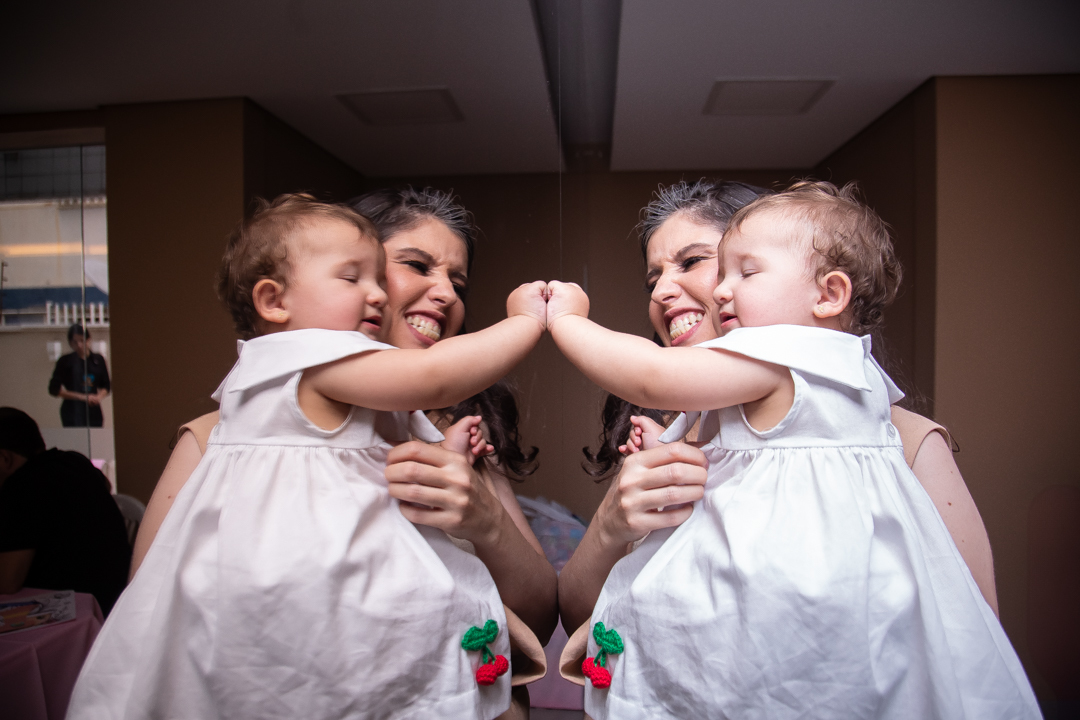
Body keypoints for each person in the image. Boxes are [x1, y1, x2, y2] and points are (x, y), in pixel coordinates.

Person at [545, 181, 1038, 718]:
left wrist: (565, 320)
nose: (663, 290)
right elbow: (576, 613)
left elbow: (963, 628)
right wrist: (617, 521)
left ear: (823, 291)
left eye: (696, 262)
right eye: (654, 276)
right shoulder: (680, 429)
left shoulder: (901, 440)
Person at [68, 195, 548, 720]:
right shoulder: (230, 429)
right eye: (413, 266)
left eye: (458, 283)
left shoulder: (441, 426)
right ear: (279, 299)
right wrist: (525, 323)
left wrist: (481, 514)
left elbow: (541, 614)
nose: (445, 294)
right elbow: (166, 609)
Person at [0, 407, 130, 615]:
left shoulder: (21, 487)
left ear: (4, 458)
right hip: (118, 596)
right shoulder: (75, 461)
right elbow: (105, 485)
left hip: (77, 611)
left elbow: (7, 582)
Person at [48, 323, 111, 427]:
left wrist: (98, 397)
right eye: (75, 342)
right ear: (70, 343)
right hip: (72, 410)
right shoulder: (65, 361)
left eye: (82, 340)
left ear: (88, 340)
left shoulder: (98, 360)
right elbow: (54, 389)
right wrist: (82, 397)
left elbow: (106, 385)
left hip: (93, 410)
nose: (79, 345)